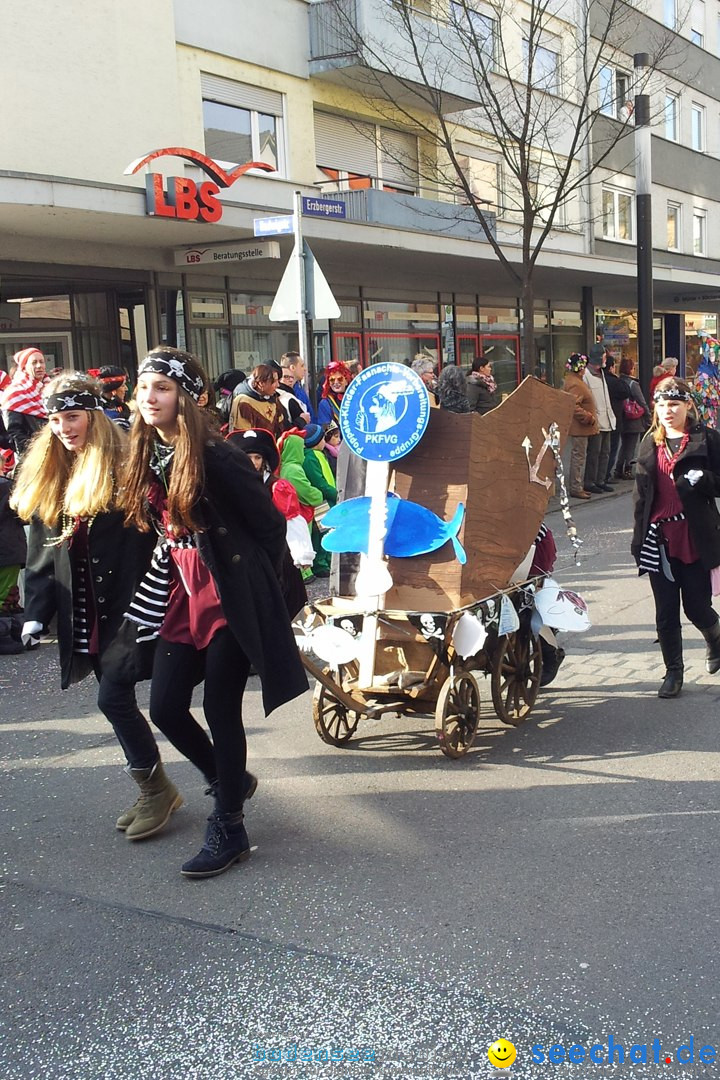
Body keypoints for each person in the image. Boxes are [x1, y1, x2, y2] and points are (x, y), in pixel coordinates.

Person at [120, 346, 308, 878]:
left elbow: (271, 529)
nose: (150, 398)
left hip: (229, 590)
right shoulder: (143, 451)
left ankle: (229, 824)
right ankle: (230, 779)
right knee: (166, 707)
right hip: (181, 589)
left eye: (162, 388)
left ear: (185, 397)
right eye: (144, 388)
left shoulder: (218, 456)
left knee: (222, 709)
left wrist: (255, 593)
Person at [11, 371, 182, 838]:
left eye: (73, 417)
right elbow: (44, 551)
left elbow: (163, 528)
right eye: (56, 419)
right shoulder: (55, 468)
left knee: (119, 699)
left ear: (93, 416)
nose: (65, 428)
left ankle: (177, 786)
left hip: (135, 604)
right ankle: (162, 787)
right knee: (118, 700)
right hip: (86, 607)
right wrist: (34, 614)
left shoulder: (127, 464)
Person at [631, 376, 720, 698]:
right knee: (666, 611)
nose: (668, 411)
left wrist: (706, 478)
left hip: (694, 536)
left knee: (697, 607)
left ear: (687, 406)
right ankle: (673, 673)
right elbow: (640, 497)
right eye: (662, 405)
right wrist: (638, 541)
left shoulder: (706, 439)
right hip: (659, 538)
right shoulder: (648, 442)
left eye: (674, 404)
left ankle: (715, 636)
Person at [228, 427, 308, 617]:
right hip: (245, 556)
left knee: (284, 607)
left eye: (257, 457)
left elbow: (293, 521)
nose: (253, 462)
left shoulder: (276, 487)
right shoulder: (230, 485)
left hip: (277, 556)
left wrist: (302, 553)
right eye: (248, 457)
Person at [279, 432, 324, 586]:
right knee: (302, 541)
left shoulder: (286, 467)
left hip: (295, 510)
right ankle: (304, 572)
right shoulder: (293, 469)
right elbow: (305, 491)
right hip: (299, 511)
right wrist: (318, 495)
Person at [1, 348, 49, 459]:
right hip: (31, 458)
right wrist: (33, 454)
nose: (39, 366)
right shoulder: (14, 393)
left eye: (41, 362)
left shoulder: (51, 389)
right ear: (24, 367)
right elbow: (14, 433)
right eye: (34, 362)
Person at [562, 352, 598, 500]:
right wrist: (588, 417)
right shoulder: (575, 383)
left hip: (581, 427)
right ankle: (576, 487)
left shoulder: (574, 380)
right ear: (580, 368)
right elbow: (573, 405)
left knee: (579, 456)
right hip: (580, 427)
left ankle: (578, 486)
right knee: (578, 457)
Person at [303, 423, 337, 579]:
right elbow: (318, 481)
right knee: (321, 532)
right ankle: (319, 564)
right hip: (321, 500)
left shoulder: (319, 454)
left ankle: (328, 560)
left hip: (328, 498)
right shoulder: (310, 457)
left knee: (328, 529)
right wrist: (333, 493)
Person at [583, 343, 616, 493]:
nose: (605, 360)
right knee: (594, 453)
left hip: (607, 419)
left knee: (605, 452)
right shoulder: (586, 375)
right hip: (596, 420)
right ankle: (590, 481)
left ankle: (600, 480)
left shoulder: (601, 373)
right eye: (603, 357)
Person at [615, 356, 650, 480]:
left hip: (622, 417)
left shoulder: (619, 381)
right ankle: (628, 470)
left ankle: (618, 468)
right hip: (634, 419)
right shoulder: (633, 384)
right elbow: (641, 401)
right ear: (631, 369)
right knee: (630, 446)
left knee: (623, 445)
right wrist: (648, 417)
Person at [229, 364, 285, 437]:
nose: (278, 385)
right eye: (274, 382)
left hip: (271, 446)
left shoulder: (273, 397)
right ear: (261, 383)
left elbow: (281, 427)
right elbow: (242, 437)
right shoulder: (243, 402)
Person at [603, 354, 630, 482]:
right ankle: (606, 475)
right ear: (611, 367)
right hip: (614, 418)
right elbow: (626, 391)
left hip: (602, 419)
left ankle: (601, 475)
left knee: (602, 450)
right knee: (612, 449)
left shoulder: (600, 379)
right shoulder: (614, 381)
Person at [88, 365, 131, 430]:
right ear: (113, 389)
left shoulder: (117, 407)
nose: (126, 389)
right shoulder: (97, 411)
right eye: (122, 385)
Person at [280, 351, 314, 423]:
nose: (305, 369)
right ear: (292, 367)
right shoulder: (283, 394)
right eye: (302, 366)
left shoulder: (299, 387)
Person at [317, 361, 353, 427]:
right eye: (332, 380)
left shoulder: (354, 400)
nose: (336, 382)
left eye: (340, 379)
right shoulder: (325, 404)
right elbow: (326, 429)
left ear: (346, 381)